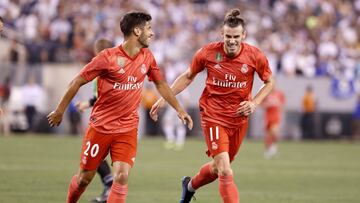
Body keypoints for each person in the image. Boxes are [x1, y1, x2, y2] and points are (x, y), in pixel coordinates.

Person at [47, 11, 193, 203]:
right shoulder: (107, 58)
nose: (152, 33)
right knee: (84, 179)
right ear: (136, 31)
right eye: (149, 28)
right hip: (100, 128)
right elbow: (76, 82)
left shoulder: (147, 57)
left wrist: (180, 110)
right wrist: (59, 111)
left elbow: (161, 85)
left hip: (127, 129)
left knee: (122, 176)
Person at [150, 8, 274, 203]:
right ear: (221, 34)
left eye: (236, 37)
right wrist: (165, 97)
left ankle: (189, 186)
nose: (232, 41)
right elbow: (188, 76)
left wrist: (254, 102)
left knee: (219, 169)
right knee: (225, 169)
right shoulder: (207, 53)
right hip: (213, 115)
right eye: (228, 36)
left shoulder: (254, 56)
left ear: (244, 35)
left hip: (238, 119)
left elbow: (270, 82)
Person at [75, 38, 114, 203]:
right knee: (101, 156)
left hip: (104, 120)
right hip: (117, 119)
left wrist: (87, 103)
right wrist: (88, 103)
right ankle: (110, 187)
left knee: (93, 154)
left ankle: (110, 185)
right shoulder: (117, 67)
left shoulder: (102, 71)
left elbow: (102, 97)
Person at [261, 85, 285, 158]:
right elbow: (261, 104)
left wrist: (278, 105)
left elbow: (282, 104)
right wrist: (267, 105)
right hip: (268, 116)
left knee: (274, 132)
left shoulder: (279, 94)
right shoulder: (266, 94)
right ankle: (268, 150)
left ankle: (273, 148)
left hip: (276, 116)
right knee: (268, 134)